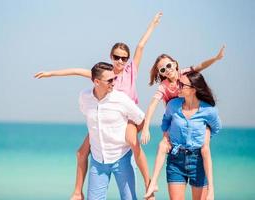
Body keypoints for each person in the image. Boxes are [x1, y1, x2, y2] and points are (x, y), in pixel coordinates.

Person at [34, 12, 163, 200]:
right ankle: (78, 192)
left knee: (133, 143)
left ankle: (149, 185)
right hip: (105, 120)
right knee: (81, 152)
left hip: (128, 119)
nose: (120, 61)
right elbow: (76, 71)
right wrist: (51, 73)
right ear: (111, 57)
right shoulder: (102, 74)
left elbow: (141, 45)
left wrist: (153, 23)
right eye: (117, 57)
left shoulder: (131, 70)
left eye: (124, 58)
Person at [142, 46, 225, 199]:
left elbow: (200, 66)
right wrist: (146, 127)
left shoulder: (185, 75)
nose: (167, 70)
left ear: (175, 64)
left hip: (195, 152)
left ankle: (211, 188)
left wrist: (215, 58)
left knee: (205, 149)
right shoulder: (164, 86)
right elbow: (153, 105)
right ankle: (153, 183)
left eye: (168, 65)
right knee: (162, 145)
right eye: (162, 70)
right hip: (174, 123)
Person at [79, 62, 145, 199]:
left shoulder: (121, 99)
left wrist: (130, 133)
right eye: (110, 80)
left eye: (114, 78)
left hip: (122, 158)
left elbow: (141, 119)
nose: (113, 83)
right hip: (97, 162)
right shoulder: (84, 97)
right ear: (96, 81)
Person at [158, 71, 221, 200]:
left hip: (198, 161)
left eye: (182, 84)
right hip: (176, 160)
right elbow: (165, 122)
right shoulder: (173, 105)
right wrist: (167, 136)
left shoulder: (209, 110)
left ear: (193, 89)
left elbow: (216, 127)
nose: (178, 86)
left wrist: (207, 132)